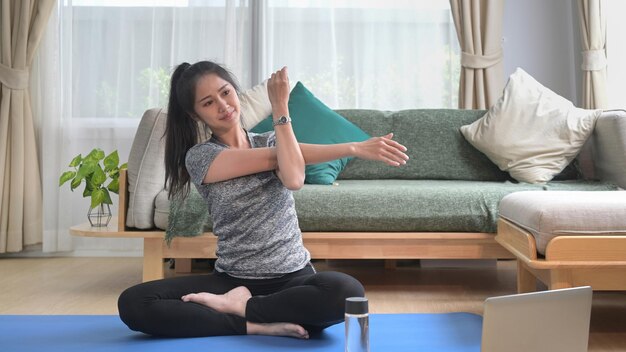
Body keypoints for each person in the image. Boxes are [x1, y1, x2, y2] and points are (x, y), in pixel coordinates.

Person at [117, 60, 409, 339]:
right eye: (208, 103)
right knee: (133, 303)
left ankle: (244, 311)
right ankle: (255, 324)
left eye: (225, 93)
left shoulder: (271, 140)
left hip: (293, 278)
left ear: (235, 90)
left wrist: (356, 147)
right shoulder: (200, 157)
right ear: (196, 115)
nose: (223, 106)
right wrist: (281, 108)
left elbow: (293, 178)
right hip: (232, 281)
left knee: (346, 291)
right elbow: (279, 158)